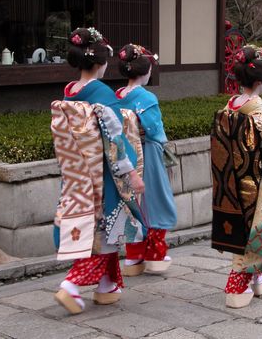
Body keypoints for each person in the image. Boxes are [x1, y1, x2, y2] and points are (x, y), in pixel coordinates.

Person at [51, 27, 145, 315]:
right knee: (106, 232)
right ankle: (72, 285)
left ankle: (107, 286)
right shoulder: (102, 95)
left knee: (107, 234)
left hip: (79, 174)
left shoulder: (70, 93)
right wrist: (131, 173)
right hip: (104, 176)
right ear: (101, 62)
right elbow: (115, 139)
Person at [211, 45, 262, 309]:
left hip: (230, 181)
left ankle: (261, 274)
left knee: (240, 230)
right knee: (257, 229)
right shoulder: (259, 112)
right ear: (259, 81)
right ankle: (237, 284)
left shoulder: (229, 107)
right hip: (257, 182)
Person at [116, 44, 177, 276]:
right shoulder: (147, 97)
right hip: (147, 153)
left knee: (131, 203)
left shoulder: (117, 96)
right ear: (145, 71)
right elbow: (155, 131)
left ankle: (133, 257)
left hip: (125, 157)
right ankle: (155, 254)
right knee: (155, 200)